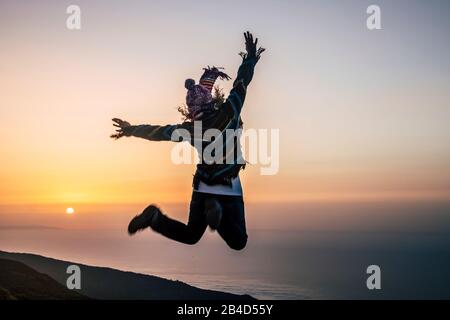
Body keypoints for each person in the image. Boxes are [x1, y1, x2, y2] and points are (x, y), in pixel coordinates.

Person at [111, 32, 265, 251]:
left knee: (191, 235)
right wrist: (249, 57)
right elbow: (241, 84)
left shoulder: (190, 130)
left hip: (202, 186)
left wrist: (130, 129)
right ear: (211, 101)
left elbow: (158, 132)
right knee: (238, 242)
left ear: (191, 109)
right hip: (228, 187)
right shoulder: (230, 111)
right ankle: (217, 215)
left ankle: (155, 218)